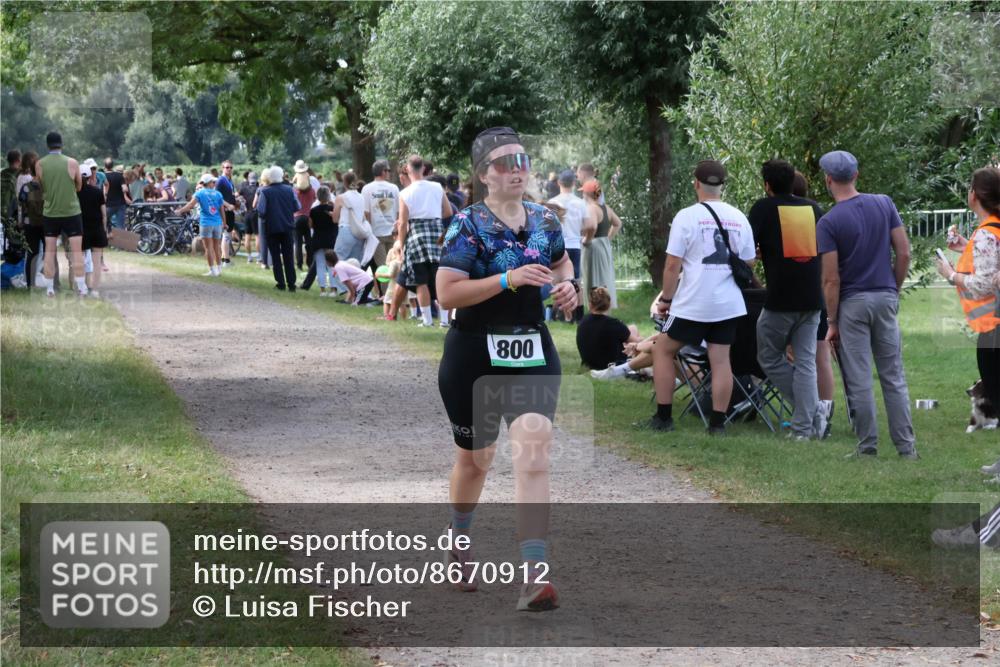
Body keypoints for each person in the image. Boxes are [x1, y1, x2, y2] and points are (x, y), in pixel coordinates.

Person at [436, 126, 579, 611]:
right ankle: (458, 540)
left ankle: (534, 577)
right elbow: (447, 293)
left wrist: (567, 287)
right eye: (503, 162)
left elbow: (562, 265)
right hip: (473, 354)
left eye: (521, 159)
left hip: (531, 350)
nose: (516, 169)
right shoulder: (466, 225)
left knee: (534, 454)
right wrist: (507, 278)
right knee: (476, 461)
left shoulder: (545, 219)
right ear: (483, 175)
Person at [816, 150, 918, 459]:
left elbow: (831, 279)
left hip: (852, 304)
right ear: (856, 175)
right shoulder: (884, 204)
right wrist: (893, 289)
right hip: (884, 296)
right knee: (893, 375)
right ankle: (906, 448)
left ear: (828, 180)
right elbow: (903, 253)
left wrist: (832, 322)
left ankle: (867, 446)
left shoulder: (829, 222)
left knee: (859, 377)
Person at [646, 160, 756, 434]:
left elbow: (673, 264)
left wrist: (666, 300)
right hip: (728, 303)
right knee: (721, 360)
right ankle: (717, 424)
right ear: (722, 186)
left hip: (693, 303)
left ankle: (663, 417)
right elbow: (749, 262)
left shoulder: (687, 216)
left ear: (696, 183)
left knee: (662, 348)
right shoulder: (739, 217)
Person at [749, 159, 829, 441]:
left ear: (767, 185)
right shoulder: (813, 208)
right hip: (813, 298)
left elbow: (747, 248)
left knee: (768, 357)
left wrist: (759, 252)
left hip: (781, 297)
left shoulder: (763, 208)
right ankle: (804, 426)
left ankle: (809, 412)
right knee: (806, 362)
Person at [935, 167, 1000, 413]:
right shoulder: (992, 228)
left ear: (975, 195)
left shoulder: (986, 233)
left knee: (995, 392)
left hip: (993, 325)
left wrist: (951, 275)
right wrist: (967, 248)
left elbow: (984, 284)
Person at [395, 154, 453, 328]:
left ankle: (427, 320)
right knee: (440, 280)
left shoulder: (405, 192)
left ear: (408, 169)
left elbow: (403, 222)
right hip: (437, 235)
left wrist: (401, 243)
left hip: (417, 236)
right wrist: (435, 220)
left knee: (421, 281)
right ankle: (444, 321)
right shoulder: (436, 186)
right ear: (423, 168)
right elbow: (448, 212)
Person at [35, 132, 87, 297]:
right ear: (61, 144)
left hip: (50, 213)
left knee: (50, 251)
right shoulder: (72, 162)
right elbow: (79, 186)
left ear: (47, 145)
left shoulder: (40, 164)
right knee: (77, 251)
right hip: (72, 212)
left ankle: (50, 289)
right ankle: (82, 287)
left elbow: (42, 187)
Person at [175, 174, 234, 277]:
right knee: (216, 247)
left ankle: (212, 271)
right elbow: (222, 211)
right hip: (217, 224)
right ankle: (219, 269)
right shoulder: (218, 194)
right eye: (213, 182)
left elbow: (190, 205)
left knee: (208, 248)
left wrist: (180, 211)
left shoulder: (200, 193)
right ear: (209, 183)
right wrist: (224, 223)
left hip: (206, 223)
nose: (214, 183)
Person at [547, 169, 587, 320]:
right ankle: (579, 314)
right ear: (574, 183)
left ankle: (564, 315)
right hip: (574, 243)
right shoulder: (580, 203)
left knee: (558, 280)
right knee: (576, 281)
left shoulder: (552, 202)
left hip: (558, 243)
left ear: (558, 183)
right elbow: (587, 224)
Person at [577, 286, 641, 371]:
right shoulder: (614, 324)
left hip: (589, 364)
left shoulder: (583, 322)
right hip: (612, 364)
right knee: (634, 331)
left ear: (590, 304)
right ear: (609, 304)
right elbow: (637, 343)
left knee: (632, 328)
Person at [580, 180, 622, 310]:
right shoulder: (606, 208)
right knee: (604, 276)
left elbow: (592, 226)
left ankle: (597, 307)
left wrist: (587, 240)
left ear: (587, 194)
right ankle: (604, 306)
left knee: (595, 277)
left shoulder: (592, 208)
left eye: (583, 193)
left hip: (594, 246)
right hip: (603, 244)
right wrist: (608, 238)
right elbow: (618, 223)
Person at [256, 165, 299, 291]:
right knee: (288, 256)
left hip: (272, 227)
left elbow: (261, 211)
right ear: (281, 176)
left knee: (275, 256)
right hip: (287, 227)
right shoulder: (289, 190)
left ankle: (280, 283)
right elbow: (297, 206)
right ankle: (291, 284)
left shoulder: (265, 191)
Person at [361, 160, 399, 296]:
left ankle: (388, 296)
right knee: (394, 265)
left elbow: (366, 213)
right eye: (388, 170)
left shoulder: (367, 189)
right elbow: (399, 212)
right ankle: (390, 296)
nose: (389, 173)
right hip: (393, 232)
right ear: (383, 171)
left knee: (383, 267)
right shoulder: (394, 188)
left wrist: (369, 232)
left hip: (376, 233)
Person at [77, 164, 106, 297]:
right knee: (96, 262)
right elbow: (104, 214)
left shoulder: (74, 194)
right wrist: (104, 229)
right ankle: (94, 290)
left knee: (80, 260)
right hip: (97, 229)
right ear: (90, 177)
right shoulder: (98, 192)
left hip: (81, 229)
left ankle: (82, 287)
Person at [16, 152, 44, 288]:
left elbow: (21, 205)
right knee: (50, 254)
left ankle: (29, 285)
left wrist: (20, 221)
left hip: (29, 224)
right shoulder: (47, 187)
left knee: (31, 253)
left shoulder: (25, 187)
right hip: (46, 224)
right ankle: (53, 284)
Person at [307, 187, 338, 296]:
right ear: (328, 196)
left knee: (320, 265)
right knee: (332, 265)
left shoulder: (313, 211)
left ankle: (322, 290)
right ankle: (333, 289)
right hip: (330, 240)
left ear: (317, 196)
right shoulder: (332, 209)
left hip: (318, 239)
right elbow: (337, 221)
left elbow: (310, 225)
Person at [292, 161, 316, 271]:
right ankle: (310, 262)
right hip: (308, 217)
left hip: (296, 217)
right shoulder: (312, 191)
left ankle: (299, 264)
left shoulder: (294, 191)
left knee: (297, 242)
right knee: (309, 242)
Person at [216, 160, 238, 266]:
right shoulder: (221, 180)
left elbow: (230, 194)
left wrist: (236, 198)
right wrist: (228, 205)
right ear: (222, 168)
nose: (229, 169)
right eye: (226, 167)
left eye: (230, 167)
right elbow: (217, 196)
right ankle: (226, 260)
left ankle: (224, 258)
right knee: (226, 235)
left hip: (230, 210)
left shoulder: (230, 180)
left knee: (227, 235)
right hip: (224, 210)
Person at [102, 157, 130, 232]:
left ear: (104, 166)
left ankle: (108, 235)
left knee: (102, 220)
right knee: (120, 226)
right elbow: (125, 189)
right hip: (121, 204)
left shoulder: (103, 176)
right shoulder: (119, 176)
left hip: (109, 204)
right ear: (113, 166)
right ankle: (119, 243)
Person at [238, 171, 259, 263]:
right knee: (258, 236)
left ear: (248, 179)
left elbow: (236, 196)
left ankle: (249, 257)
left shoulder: (244, 189)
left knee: (247, 236)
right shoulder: (259, 189)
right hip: (256, 214)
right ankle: (259, 257)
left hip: (247, 214)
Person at [1, 149, 20, 224]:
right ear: (18, 160)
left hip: (3, 209)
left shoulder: (3, 173)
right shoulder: (20, 173)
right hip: (14, 209)